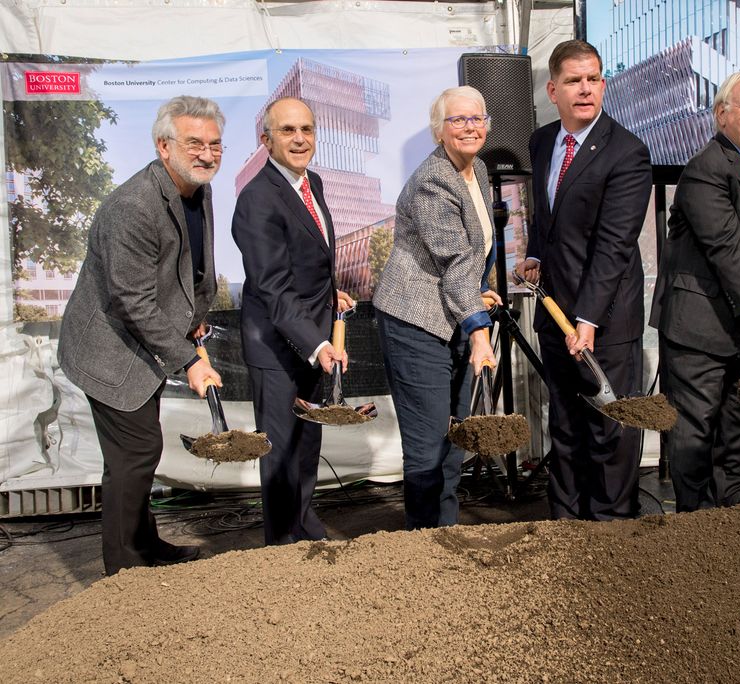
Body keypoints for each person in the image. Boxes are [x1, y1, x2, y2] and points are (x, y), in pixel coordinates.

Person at [57, 96, 225, 574]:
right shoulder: (133, 206)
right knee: (136, 453)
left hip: (145, 344)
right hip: (109, 350)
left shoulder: (197, 189)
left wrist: (195, 319)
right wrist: (190, 360)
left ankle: (145, 545)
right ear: (163, 146)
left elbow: (190, 268)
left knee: (136, 452)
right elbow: (132, 300)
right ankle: (125, 571)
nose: (207, 154)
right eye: (194, 143)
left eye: (215, 145)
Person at [514, 40, 652, 521]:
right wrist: (535, 251)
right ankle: (567, 525)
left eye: (593, 79)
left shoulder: (628, 153)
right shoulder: (543, 140)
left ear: (603, 85)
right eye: (573, 81)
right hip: (554, 314)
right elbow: (546, 215)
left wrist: (589, 318)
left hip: (605, 320)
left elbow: (614, 247)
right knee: (566, 425)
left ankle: (611, 529)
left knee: (609, 430)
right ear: (553, 89)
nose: (585, 89)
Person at [649, 70, 740, 513]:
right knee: (694, 431)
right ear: (721, 113)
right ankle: (695, 525)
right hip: (700, 328)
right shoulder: (706, 167)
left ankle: (731, 518)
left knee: (736, 426)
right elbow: (725, 248)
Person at [373, 85, 501, 529]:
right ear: (438, 131)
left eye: (477, 118)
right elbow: (455, 257)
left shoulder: (477, 169)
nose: (469, 127)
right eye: (457, 120)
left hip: (454, 316)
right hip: (415, 321)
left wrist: (478, 294)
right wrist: (480, 333)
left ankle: (444, 535)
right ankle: (422, 549)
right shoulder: (432, 180)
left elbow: (473, 250)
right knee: (428, 446)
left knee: (455, 440)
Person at [232, 97, 355, 545]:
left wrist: (329, 295)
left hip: (309, 337)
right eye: (287, 131)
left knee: (307, 444)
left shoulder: (312, 182)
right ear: (266, 139)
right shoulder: (257, 200)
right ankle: (282, 549)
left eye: (306, 129)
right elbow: (273, 286)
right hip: (277, 346)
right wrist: (318, 344)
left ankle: (306, 527)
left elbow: (310, 261)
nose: (300, 139)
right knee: (281, 453)